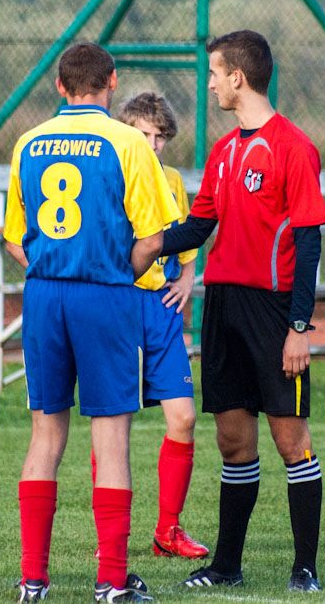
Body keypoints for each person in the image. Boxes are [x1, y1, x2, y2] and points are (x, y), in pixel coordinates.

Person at [4, 43, 179, 603]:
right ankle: (110, 580)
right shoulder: (128, 142)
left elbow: (13, 237)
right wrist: (110, 272)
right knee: (111, 437)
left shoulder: (28, 141)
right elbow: (154, 237)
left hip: (45, 296)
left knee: (45, 435)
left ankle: (34, 579)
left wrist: (57, 268)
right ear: (112, 81)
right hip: (105, 295)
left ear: (59, 86)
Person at [160, 30, 325, 593]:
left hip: (275, 310)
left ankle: (305, 568)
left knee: (291, 441)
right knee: (233, 441)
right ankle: (226, 567)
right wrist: (144, 246)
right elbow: (198, 225)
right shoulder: (223, 151)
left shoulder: (293, 146)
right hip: (225, 306)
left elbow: (309, 244)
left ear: (238, 77)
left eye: (214, 74)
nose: (209, 84)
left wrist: (298, 328)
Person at [115, 92, 208, 560]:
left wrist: (189, 278)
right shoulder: (114, 173)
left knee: (184, 418)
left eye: (160, 137)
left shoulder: (172, 181)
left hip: (164, 311)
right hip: (124, 307)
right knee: (116, 426)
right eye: (144, 134)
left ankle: (167, 532)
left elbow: (188, 242)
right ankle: (110, 538)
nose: (152, 145)